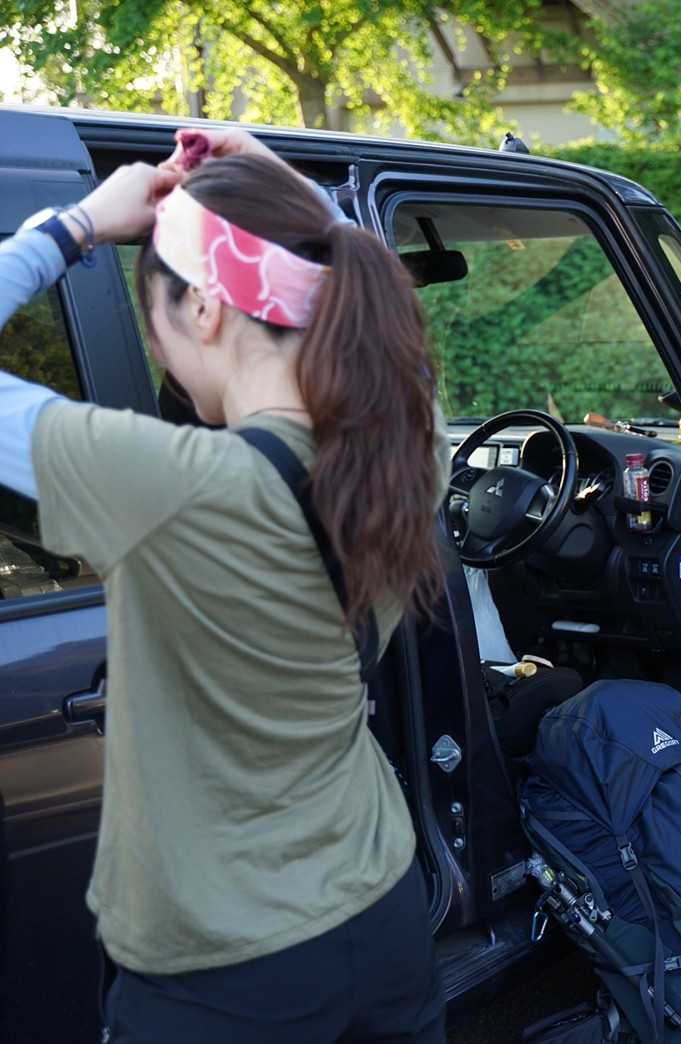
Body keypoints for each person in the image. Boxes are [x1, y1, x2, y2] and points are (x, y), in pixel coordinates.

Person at [0, 128, 448, 1042]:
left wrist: (77, 226)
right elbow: (384, 330)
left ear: (204, 308)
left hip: (225, 976)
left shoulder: (174, 487)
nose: (158, 351)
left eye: (155, 323)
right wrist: (289, 191)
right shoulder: (407, 449)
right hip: (384, 915)